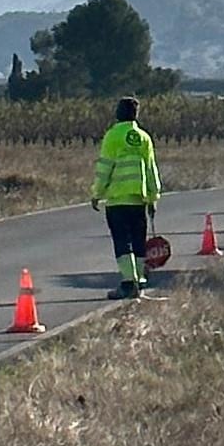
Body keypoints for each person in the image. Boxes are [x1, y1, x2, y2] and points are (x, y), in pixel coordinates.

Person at [90, 95, 163, 297]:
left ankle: (128, 283)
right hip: (138, 199)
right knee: (139, 241)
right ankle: (139, 280)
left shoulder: (113, 136)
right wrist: (153, 197)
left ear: (118, 113)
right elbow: (151, 169)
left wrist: (97, 193)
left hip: (117, 198)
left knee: (122, 242)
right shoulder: (144, 137)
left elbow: (105, 167)